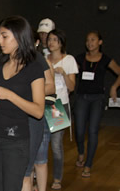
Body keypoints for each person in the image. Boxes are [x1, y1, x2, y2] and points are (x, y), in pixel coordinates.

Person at [0, 16, 45, 191]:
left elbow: (38, 111)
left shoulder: (34, 68)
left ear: (18, 37)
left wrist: (9, 95)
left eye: (4, 36)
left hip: (16, 142)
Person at [74, 31, 120, 178]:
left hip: (97, 99)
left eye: (93, 40)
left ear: (100, 42)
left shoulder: (106, 59)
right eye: (87, 40)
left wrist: (114, 87)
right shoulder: (80, 58)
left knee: (93, 130)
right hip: (81, 97)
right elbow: (68, 70)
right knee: (80, 130)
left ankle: (88, 164)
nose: (89, 43)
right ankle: (81, 152)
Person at [22, 33, 56, 191]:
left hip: (41, 113)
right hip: (25, 115)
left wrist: (28, 93)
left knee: (40, 160)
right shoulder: (13, 58)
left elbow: (51, 86)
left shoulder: (39, 59)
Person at [46, 29, 78, 190]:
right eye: (50, 39)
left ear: (61, 43)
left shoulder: (69, 60)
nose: (51, 42)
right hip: (45, 104)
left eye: (55, 40)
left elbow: (71, 87)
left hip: (58, 105)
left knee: (56, 145)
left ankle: (57, 178)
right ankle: (39, 175)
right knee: (41, 143)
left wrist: (64, 74)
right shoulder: (45, 60)